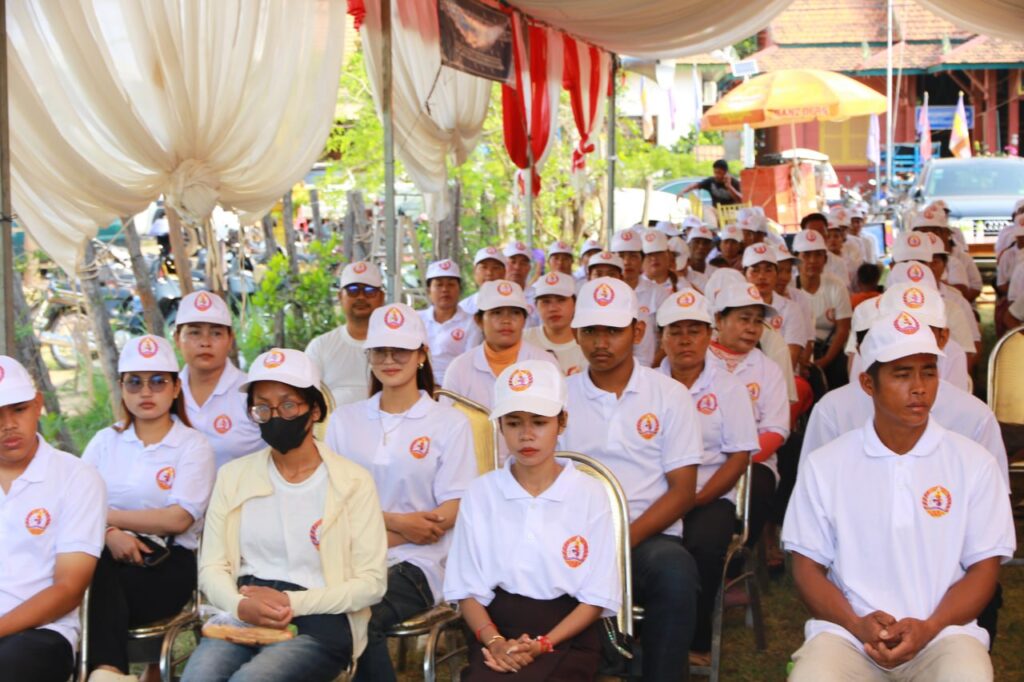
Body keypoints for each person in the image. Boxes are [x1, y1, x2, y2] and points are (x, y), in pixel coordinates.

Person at [783, 311, 1015, 681]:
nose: (919, 387)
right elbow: (807, 566)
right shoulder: (826, 464)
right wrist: (855, 624)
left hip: (945, 635)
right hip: (847, 636)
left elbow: (984, 568)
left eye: (929, 372)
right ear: (867, 383)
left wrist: (930, 626)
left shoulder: (974, 463)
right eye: (902, 374)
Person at [182, 349, 387, 682]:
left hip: (322, 617)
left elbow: (372, 584)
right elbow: (212, 567)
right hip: (245, 608)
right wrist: (238, 604)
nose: (275, 416)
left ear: (315, 410)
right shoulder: (233, 477)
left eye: (288, 405)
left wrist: (290, 601)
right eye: (262, 408)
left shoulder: (352, 482)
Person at [560, 277, 704, 680]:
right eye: (590, 331)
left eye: (612, 331)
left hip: (647, 536)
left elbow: (683, 491)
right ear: (576, 334)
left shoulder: (669, 395)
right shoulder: (559, 395)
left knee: (676, 576)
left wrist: (621, 541)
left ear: (637, 332)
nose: (600, 342)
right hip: (572, 533)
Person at [327, 304, 476, 682]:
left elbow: (452, 508)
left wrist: (394, 532)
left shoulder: (449, 422)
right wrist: (399, 523)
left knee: (359, 618)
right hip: (346, 556)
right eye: (380, 351)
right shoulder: (345, 421)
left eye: (401, 351)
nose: (389, 360)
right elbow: (330, 501)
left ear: (422, 354)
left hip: (419, 561)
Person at [445, 360, 619, 680]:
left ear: (562, 422)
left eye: (539, 422)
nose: (526, 435)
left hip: (567, 632)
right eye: (513, 423)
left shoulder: (589, 494)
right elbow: (466, 587)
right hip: (496, 629)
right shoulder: (481, 493)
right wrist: (495, 642)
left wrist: (543, 644)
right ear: (500, 427)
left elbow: (596, 596)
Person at [82, 336, 215, 682]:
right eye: (134, 382)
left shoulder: (193, 445)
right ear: (121, 387)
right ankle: (108, 672)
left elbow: (177, 519)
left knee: (90, 586)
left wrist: (106, 519)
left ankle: (105, 671)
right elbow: (75, 504)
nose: (146, 392)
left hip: (167, 563)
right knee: (89, 571)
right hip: (104, 554)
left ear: (175, 387)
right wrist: (110, 535)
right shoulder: (105, 441)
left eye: (157, 381)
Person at [804, 285, 1008, 484]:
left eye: (923, 329)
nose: (911, 336)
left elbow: (993, 497)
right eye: (900, 326)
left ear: (943, 338)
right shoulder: (832, 410)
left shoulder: (975, 416)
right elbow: (813, 486)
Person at [655, 289, 759, 667]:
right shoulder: (647, 384)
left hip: (708, 496)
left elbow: (739, 457)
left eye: (694, 330)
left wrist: (693, 499)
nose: (685, 340)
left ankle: (695, 641)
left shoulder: (728, 387)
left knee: (701, 546)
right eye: (675, 331)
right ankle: (637, 632)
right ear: (661, 338)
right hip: (654, 495)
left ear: (708, 336)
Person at [0, 355, 106, 682]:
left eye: (18, 409)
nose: (8, 425)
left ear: (38, 404)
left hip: (42, 632)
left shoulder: (76, 477)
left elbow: (69, 587)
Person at [706, 283, 789, 559]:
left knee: (760, 486)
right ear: (719, 320)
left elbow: (775, 431)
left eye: (757, 321)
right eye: (744, 319)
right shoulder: (699, 358)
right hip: (698, 456)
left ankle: (735, 561)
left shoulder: (768, 369)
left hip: (753, 461)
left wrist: (736, 462)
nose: (752, 328)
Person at [174, 291, 266, 469]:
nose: (205, 342)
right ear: (177, 339)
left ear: (230, 339)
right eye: (194, 333)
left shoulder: (252, 393)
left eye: (216, 333)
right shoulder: (165, 393)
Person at [443, 280, 558, 413]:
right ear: (479, 320)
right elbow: (447, 420)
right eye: (496, 312)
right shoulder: (459, 368)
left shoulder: (546, 364)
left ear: (524, 320)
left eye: (515, 313)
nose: (506, 320)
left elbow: (561, 418)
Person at [305, 261, 385, 408]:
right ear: (340, 296)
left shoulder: (398, 347)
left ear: (381, 297)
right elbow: (308, 400)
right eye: (353, 290)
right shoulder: (320, 346)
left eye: (369, 290)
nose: (361, 297)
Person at [792, 230, 852, 390]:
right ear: (796, 259)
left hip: (830, 350)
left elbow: (843, 329)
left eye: (818, 255)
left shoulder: (836, 285)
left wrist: (825, 361)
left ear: (825, 259)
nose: (813, 261)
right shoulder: (790, 288)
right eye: (806, 255)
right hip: (798, 351)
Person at [418, 259, 482, 386]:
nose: (445, 289)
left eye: (451, 284)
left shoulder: (472, 323)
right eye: (439, 285)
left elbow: (468, 364)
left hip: (455, 387)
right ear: (429, 291)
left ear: (459, 289)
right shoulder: (417, 319)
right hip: (418, 386)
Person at [744, 243, 807, 368]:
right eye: (755, 270)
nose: (762, 277)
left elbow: (789, 361)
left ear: (776, 274)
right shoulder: (734, 311)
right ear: (744, 274)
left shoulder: (791, 309)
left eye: (768, 270)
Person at [612, 230, 667, 369]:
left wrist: (649, 369)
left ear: (642, 259)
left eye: (633, 256)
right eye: (621, 256)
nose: (627, 262)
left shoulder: (658, 293)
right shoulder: (607, 295)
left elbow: (667, 337)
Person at [523, 272, 588, 376]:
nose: (553, 308)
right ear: (536, 306)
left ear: (575, 304)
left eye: (561, 300)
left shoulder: (587, 344)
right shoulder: (523, 340)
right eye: (546, 302)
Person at [460, 247, 509, 316]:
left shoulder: (514, 305)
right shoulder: (463, 308)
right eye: (484, 267)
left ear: (504, 273)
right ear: (474, 272)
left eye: (495, 268)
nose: (489, 273)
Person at [676, 159, 742, 208]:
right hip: (716, 211)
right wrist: (683, 191)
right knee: (707, 208)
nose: (717, 175)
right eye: (715, 172)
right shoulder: (711, 181)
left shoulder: (734, 183)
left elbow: (741, 200)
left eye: (719, 173)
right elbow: (695, 185)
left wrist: (729, 187)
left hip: (732, 212)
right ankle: (713, 224)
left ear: (726, 172)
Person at [640, 229, 680, 294]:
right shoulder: (632, 287)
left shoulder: (682, 286)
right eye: (648, 254)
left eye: (658, 252)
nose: (653, 258)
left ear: (668, 255)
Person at [685, 223, 718, 291]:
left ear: (710, 247)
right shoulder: (681, 273)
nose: (701, 246)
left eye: (705, 243)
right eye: (697, 242)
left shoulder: (716, 273)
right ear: (688, 244)